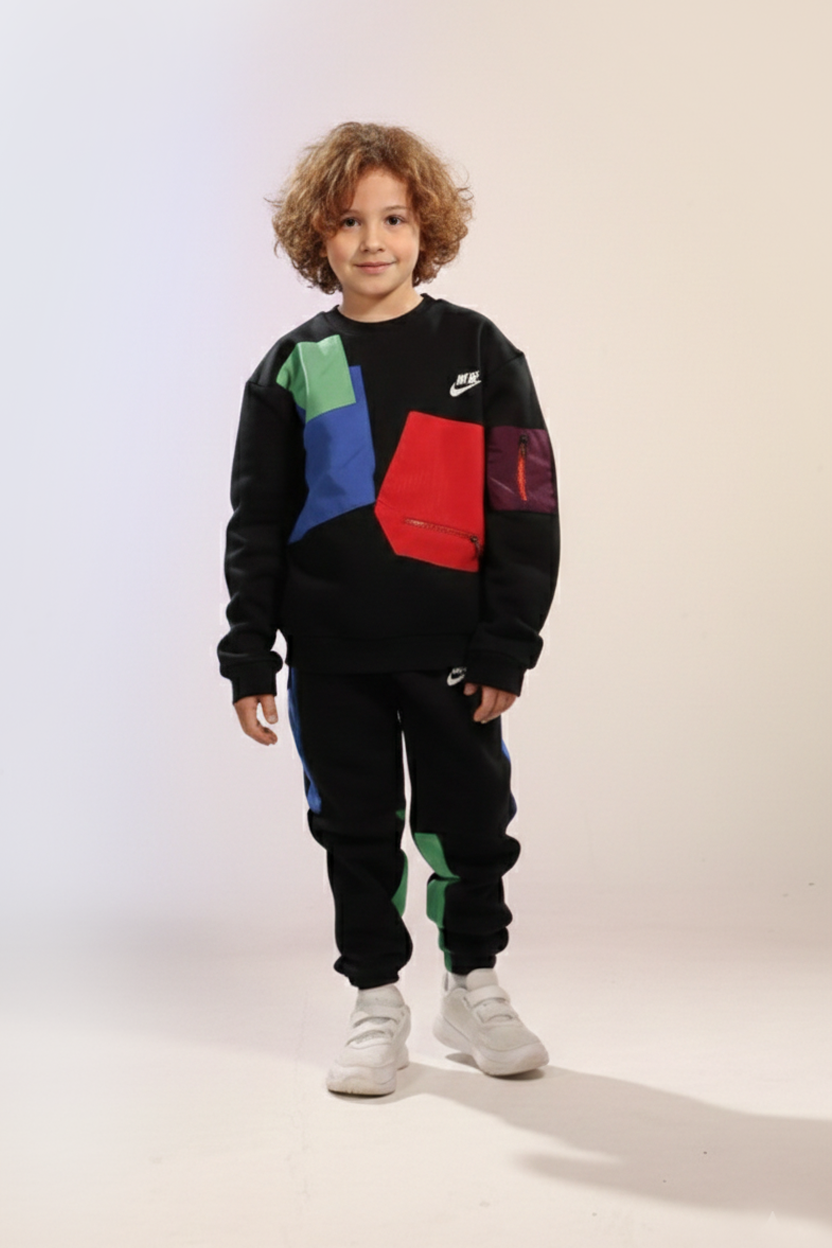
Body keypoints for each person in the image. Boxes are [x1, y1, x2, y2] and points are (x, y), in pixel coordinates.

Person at [218, 122, 560, 1096]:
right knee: (356, 831)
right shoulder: (292, 367)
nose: (373, 240)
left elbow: (525, 503)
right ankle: (376, 1000)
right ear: (316, 236)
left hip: (454, 650)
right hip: (331, 656)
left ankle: (472, 985)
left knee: (470, 824)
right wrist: (249, 654)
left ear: (425, 229)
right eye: (348, 221)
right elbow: (257, 520)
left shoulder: (480, 350)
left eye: (395, 218)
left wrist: (506, 641)